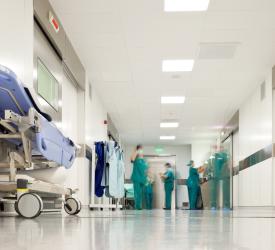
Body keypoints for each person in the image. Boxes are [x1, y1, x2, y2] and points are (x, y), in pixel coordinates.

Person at [130, 145, 148, 210]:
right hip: (137, 178)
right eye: (140, 149)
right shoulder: (135, 159)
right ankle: (137, 206)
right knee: (137, 193)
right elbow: (132, 159)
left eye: (142, 149)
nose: (141, 151)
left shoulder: (143, 160)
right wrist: (136, 152)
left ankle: (140, 206)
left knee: (141, 193)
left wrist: (146, 178)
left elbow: (146, 170)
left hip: (143, 179)